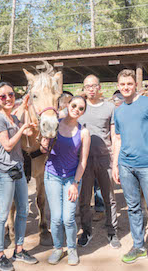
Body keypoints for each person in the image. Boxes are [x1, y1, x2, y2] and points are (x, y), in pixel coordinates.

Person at [112, 69, 148, 271]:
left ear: (135, 85)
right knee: (133, 207)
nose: (126, 87)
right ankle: (139, 246)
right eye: (122, 84)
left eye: (129, 84)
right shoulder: (119, 110)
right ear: (118, 86)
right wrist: (115, 164)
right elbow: (118, 139)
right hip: (126, 166)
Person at [0, 82, 38, 271]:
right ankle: (0, 255)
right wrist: (22, 127)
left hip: (18, 169)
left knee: (24, 211)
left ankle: (19, 250)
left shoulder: (12, 117)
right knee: (2, 215)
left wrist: (31, 126)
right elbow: (8, 145)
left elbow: (26, 132)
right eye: (3, 96)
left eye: (10, 94)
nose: (8, 98)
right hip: (4, 173)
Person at [41, 95, 90, 266]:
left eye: (81, 108)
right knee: (55, 217)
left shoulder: (84, 132)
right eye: (74, 105)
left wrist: (75, 183)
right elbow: (43, 148)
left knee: (68, 218)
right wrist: (44, 142)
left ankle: (71, 248)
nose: (76, 109)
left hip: (71, 178)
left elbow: (83, 161)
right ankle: (57, 248)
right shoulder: (56, 122)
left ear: (83, 112)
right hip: (52, 175)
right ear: (68, 105)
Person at [75, 75, 121, 249]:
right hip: (83, 160)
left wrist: (115, 160)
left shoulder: (110, 108)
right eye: (88, 86)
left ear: (99, 87)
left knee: (109, 198)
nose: (91, 89)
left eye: (94, 86)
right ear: (84, 89)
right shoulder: (79, 107)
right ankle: (86, 231)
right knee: (84, 199)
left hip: (104, 158)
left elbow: (115, 135)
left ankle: (112, 231)